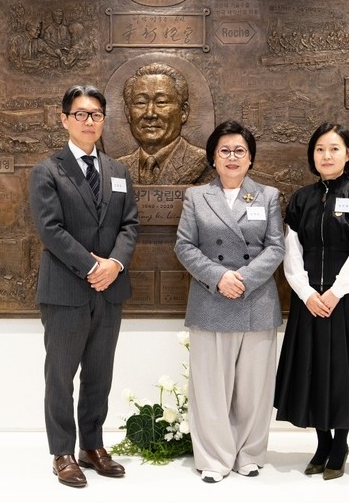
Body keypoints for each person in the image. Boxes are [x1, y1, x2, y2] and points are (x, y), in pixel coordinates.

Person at [29, 85, 139, 488]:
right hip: (65, 291)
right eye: (80, 114)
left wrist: (115, 264)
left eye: (95, 114)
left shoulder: (118, 172)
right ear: (65, 120)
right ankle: (62, 452)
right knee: (60, 375)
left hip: (110, 290)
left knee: (99, 374)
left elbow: (130, 225)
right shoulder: (47, 171)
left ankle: (92, 446)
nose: (88, 121)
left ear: (103, 120)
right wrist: (92, 266)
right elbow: (50, 229)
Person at [273, 122, 349, 481]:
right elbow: (291, 250)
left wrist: (336, 291)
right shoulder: (301, 199)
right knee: (312, 369)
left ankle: (340, 445)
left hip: (347, 300)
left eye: (334, 149)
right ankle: (322, 443)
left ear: (348, 154)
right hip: (309, 301)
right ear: (312, 155)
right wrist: (307, 293)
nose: (326, 155)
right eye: (320, 149)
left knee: (343, 372)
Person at [174, 120, 285, 483]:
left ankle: (249, 453)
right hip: (211, 298)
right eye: (224, 150)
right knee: (210, 387)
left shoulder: (268, 196)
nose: (232, 157)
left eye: (240, 150)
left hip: (256, 300)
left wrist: (244, 280)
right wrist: (220, 277)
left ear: (250, 158)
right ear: (213, 157)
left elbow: (276, 247)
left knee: (254, 387)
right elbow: (184, 246)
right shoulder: (196, 196)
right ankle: (214, 458)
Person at [117, 63, 212, 185]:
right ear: (128, 113)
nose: (150, 114)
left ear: (183, 112)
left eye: (161, 102)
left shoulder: (204, 162)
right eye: (141, 102)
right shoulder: (118, 167)